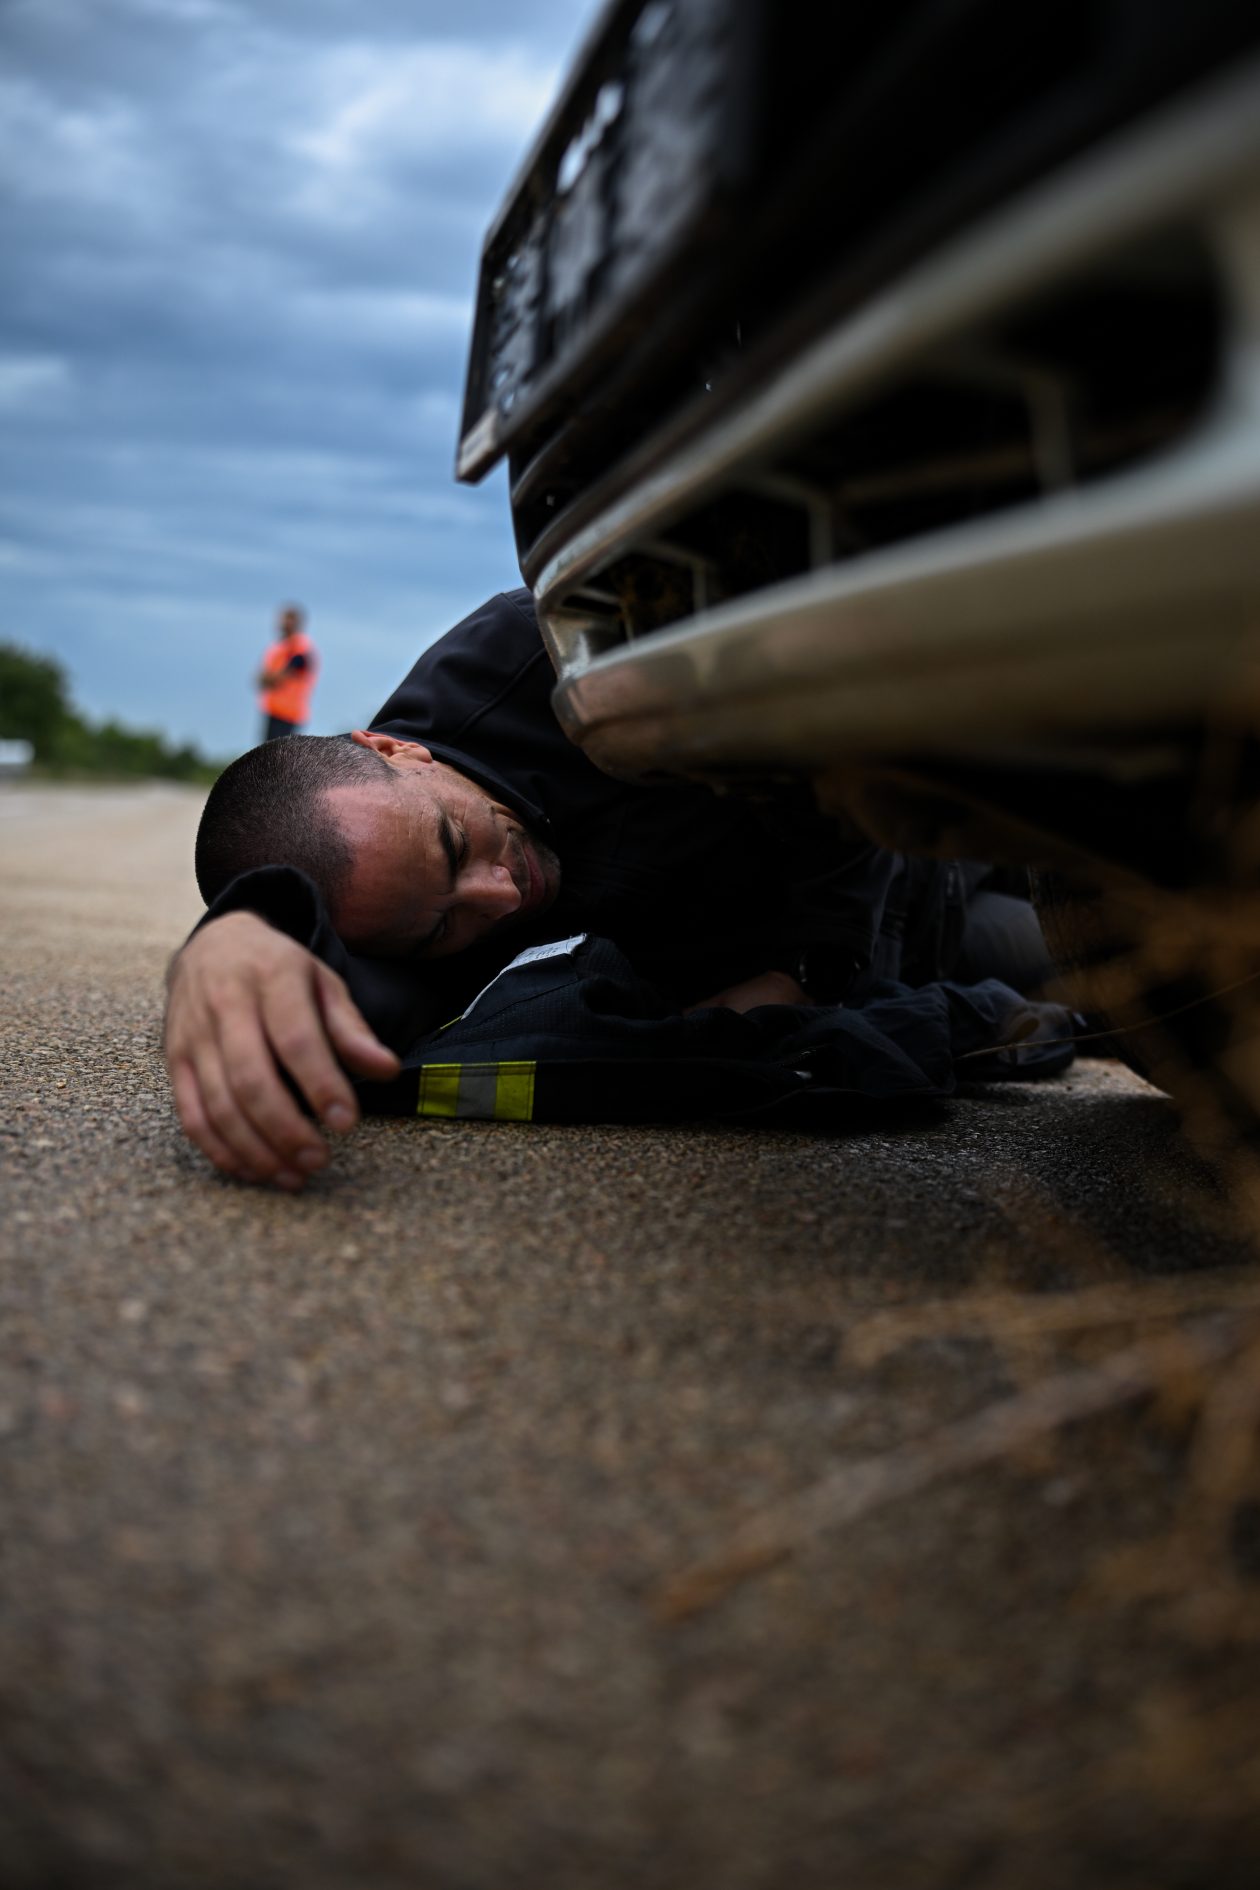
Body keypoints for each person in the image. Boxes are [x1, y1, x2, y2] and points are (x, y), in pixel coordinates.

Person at [167, 588, 1053, 1189]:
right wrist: (242, 932)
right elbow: (359, 988)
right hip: (924, 960)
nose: (499, 898)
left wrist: (802, 975)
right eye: (443, 930)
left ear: (397, 749)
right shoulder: (399, 905)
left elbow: (825, 721)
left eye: (455, 844)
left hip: (928, 843)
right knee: (1089, 975)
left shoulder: (554, 653)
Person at [257, 604, 317, 741]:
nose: (285, 623)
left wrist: (270, 678)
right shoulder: (279, 647)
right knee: (267, 750)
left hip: (289, 712)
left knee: (279, 751)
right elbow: (261, 679)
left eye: (289, 619)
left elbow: (280, 676)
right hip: (273, 708)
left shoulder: (300, 647)